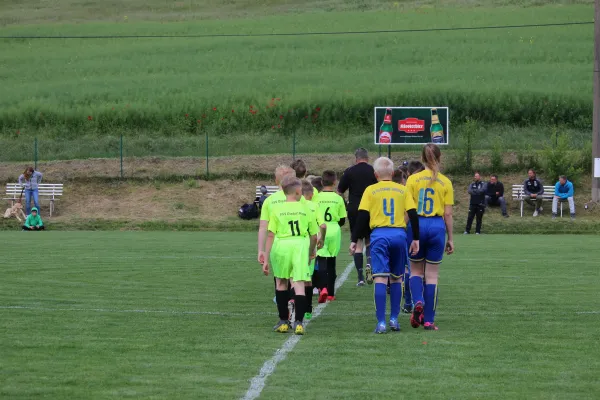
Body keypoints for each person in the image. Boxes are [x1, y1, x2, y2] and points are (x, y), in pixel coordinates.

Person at [349, 157, 420, 333]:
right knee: (397, 277)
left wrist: (354, 240)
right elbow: (412, 214)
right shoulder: (402, 190)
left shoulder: (370, 190)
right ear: (393, 173)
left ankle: (381, 322)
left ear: (375, 174)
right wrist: (416, 239)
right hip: (398, 235)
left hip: (379, 236)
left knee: (380, 278)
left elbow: (362, 217)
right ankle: (394, 319)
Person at [406, 144, 454, 331]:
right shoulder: (446, 182)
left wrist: (405, 230)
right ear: (439, 158)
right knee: (432, 276)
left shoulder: (412, 180)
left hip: (417, 225)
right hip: (436, 226)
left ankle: (417, 301)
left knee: (416, 272)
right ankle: (429, 321)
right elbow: (448, 214)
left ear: (422, 158)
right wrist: (450, 238)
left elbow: (408, 210)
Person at [262, 176, 318, 335]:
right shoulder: (305, 208)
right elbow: (314, 235)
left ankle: (283, 321)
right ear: (299, 191)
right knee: (299, 284)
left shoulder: (277, 209)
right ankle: (299, 323)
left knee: (281, 283)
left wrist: (266, 258)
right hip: (299, 246)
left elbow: (271, 235)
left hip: (281, 247)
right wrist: (311, 251)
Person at [337, 148, 378, 286]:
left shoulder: (349, 171)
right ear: (367, 158)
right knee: (369, 240)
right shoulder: (373, 171)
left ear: (356, 158)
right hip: (371, 208)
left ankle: (360, 277)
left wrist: (346, 203)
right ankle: (370, 265)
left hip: (355, 208)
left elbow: (340, 190)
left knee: (357, 243)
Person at [316, 170, 347, 303]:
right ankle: (331, 294)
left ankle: (322, 288)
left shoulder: (316, 197)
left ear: (322, 182)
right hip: (334, 230)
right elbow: (342, 220)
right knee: (332, 262)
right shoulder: (338, 198)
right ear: (335, 182)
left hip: (320, 229)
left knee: (321, 260)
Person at [301, 180, 327, 320]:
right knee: (308, 278)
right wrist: (321, 239)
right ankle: (308, 309)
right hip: (310, 242)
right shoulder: (314, 206)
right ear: (311, 194)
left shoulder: (296, 205)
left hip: (296, 243)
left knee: (295, 278)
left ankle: (293, 305)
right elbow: (322, 226)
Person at [402, 160, 425, 314]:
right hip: (429, 226)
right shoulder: (428, 183)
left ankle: (410, 302)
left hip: (412, 227)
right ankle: (420, 301)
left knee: (411, 267)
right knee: (424, 269)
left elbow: (407, 212)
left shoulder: (409, 185)